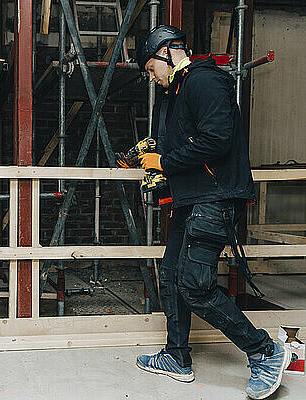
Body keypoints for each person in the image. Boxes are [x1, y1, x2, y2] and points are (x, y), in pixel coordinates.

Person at [134, 25, 290, 399]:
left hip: (215, 199)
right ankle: (176, 356)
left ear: (168, 52)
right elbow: (189, 148)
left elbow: (216, 140)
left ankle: (265, 351)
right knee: (171, 276)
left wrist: (165, 161)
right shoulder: (177, 92)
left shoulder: (204, 81)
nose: (150, 76)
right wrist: (162, 176)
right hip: (193, 200)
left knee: (195, 285)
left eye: (150, 67)